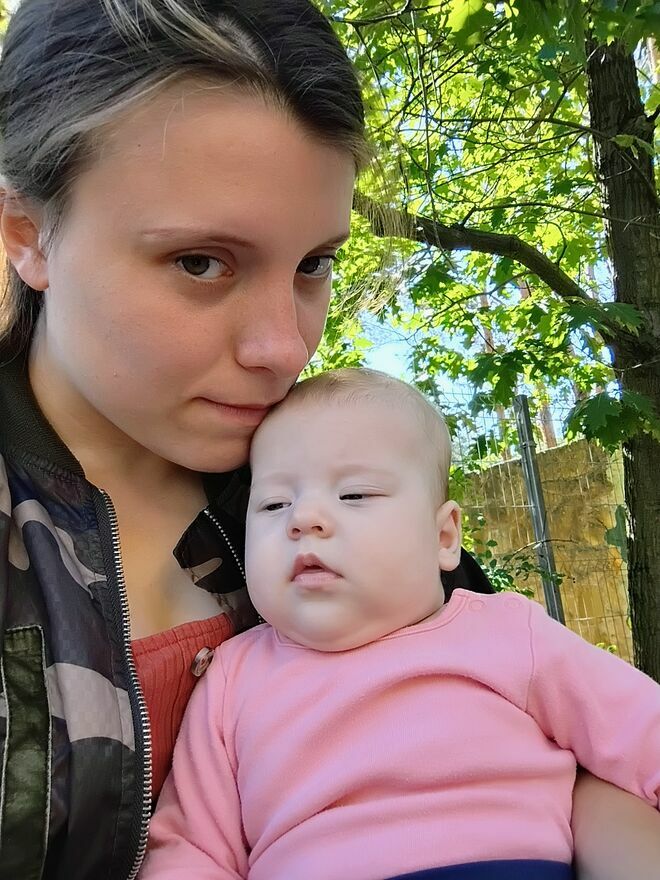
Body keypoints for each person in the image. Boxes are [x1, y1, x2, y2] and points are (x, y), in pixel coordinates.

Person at [0, 1, 658, 878]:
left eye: (314, 264)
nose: (284, 348)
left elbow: (554, 742)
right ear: (26, 234)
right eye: (200, 262)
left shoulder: (336, 473)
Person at [141, 368, 660, 880]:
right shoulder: (232, 678)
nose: (303, 519)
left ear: (443, 538)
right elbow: (191, 848)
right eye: (274, 504)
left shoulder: (506, 634)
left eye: (354, 495)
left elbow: (642, 730)